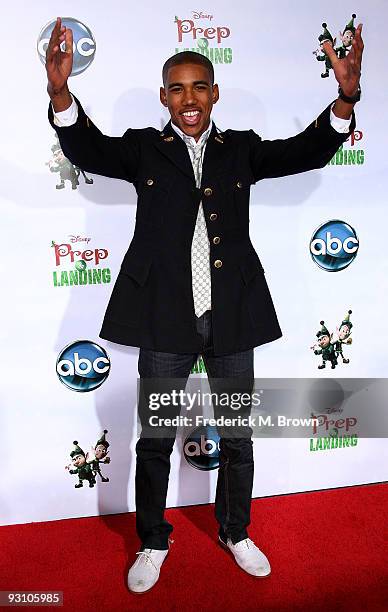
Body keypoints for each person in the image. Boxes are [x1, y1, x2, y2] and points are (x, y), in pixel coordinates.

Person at [45, 17, 364, 593]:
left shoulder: (239, 150)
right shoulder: (145, 148)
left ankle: (235, 531)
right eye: (176, 88)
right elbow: (86, 145)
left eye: (198, 87)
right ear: (164, 95)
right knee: (156, 438)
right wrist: (61, 93)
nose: (188, 99)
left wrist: (344, 97)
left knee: (238, 434)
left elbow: (306, 151)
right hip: (165, 316)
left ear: (213, 93)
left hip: (231, 316)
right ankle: (150, 540)